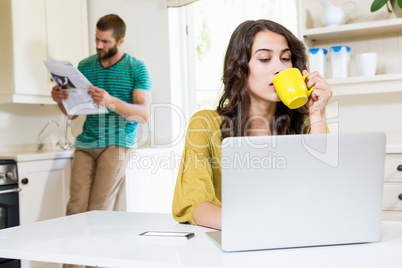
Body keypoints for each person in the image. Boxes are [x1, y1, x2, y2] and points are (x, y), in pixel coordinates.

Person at [172, 19, 332, 230]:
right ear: (240, 68)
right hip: (237, 237)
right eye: (265, 58)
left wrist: (317, 114)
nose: (280, 68)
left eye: (286, 58)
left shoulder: (306, 123)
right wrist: (255, 225)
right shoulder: (205, 124)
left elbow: (324, 189)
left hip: (297, 234)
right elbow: (193, 203)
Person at [51, 14, 152, 217]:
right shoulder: (85, 66)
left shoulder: (136, 68)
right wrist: (61, 99)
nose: (98, 45)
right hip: (86, 144)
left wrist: (110, 102)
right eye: (96, 39)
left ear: (120, 41)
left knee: (98, 210)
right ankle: (74, 249)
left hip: (117, 142)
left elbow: (143, 115)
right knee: (75, 209)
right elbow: (72, 114)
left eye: (105, 41)